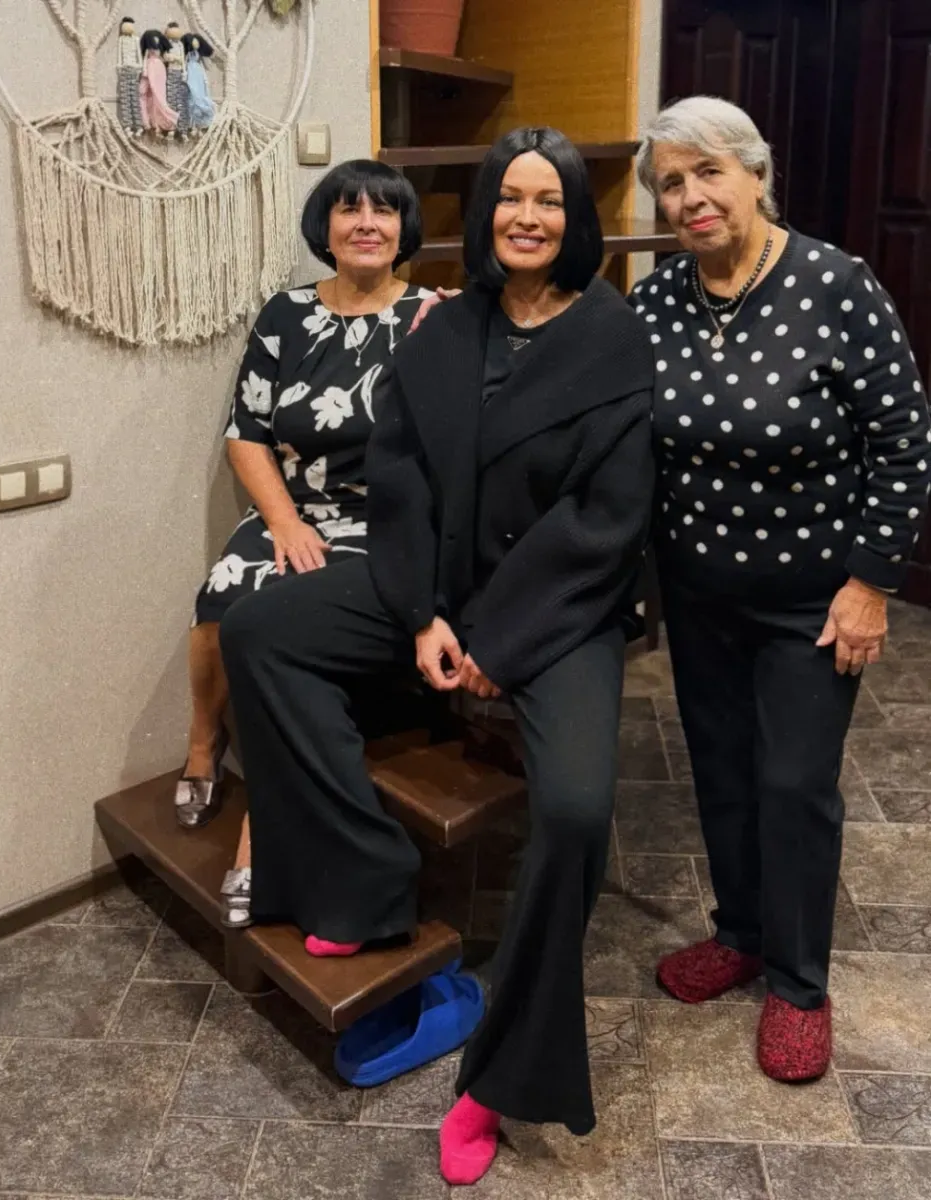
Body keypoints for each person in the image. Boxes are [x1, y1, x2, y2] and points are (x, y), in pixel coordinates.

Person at [219, 127, 655, 1184]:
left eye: (548, 200)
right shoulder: (447, 326)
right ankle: (361, 881)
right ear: (484, 210)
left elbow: (602, 522)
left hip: (558, 612)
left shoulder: (613, 335)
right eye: (509, 196)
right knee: (260, 630)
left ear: (575, 218)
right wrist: (420, 614)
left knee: (574, 812)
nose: (526, 217)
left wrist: (499, 641)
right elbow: (400, 474)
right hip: (435, 593)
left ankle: (501, 1078)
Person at [631, 96, 931, 1081]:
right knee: (719, 771)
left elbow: (903, 440)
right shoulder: (656, 302)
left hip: (812, 602)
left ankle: (799, 984)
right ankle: (742, 933)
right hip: (698, 594)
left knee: (793, 784)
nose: (690, 197)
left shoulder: (835, 285)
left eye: (708, 172)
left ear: (755, 176)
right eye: (670, 183)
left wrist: (870, 583)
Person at [174, 158, 428, 931]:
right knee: (222, 599)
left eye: (383, 211)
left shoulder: (432, 318)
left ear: (403, 229)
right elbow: (245, 433)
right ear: (326, 227)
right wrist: (282, 522)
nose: (366, 224)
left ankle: (262, 828)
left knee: (284, 627)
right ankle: (202, 742)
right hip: (295, 507)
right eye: (349, 209)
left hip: (383, 524)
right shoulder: (285, 315)